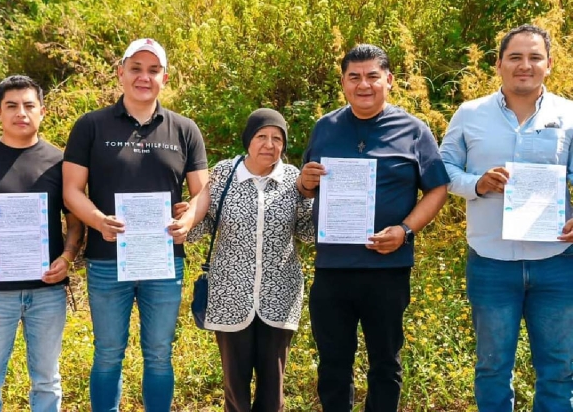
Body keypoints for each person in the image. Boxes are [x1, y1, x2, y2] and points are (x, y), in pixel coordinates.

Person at [297, 44, 449, 412]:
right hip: (333, 269)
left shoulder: (413, 130)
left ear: (389, 81)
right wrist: (305, 182)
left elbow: (438, 189)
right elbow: (305, 187)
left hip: (387, 269)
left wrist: (405, 231)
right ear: (344, 83)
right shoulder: (326, 127)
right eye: (354, 77)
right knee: (333, 364)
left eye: (372, 76)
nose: (363, 84)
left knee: (385, 364)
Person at [62, 38, 209, 411]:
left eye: (153, 70)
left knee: (159, 354)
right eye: (136, 68)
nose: (144, 77)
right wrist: (98, 221)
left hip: (163, 262)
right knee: (109, 353)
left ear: (165, 77)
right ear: (120, 73)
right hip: (106, 261)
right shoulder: (91, 126)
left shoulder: (184, 129)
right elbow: (71, 191)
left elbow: (202, 192)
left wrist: (189, 217)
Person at [439, 24, 573, 411]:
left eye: (534, 57)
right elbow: (442, 168)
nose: (524, 66)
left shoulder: (569, 114)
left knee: (560, 369)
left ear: (549, 65)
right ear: (498, 64)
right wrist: (476, 183)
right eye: (515, 57)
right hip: (491, 262)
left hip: (557, 263)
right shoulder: (470, 114)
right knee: (493, 367)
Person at [0, 75, 84, 412]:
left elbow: (75, 218)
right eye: (11, 106)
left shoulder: (60, 161)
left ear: (42, 112)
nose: (20, 113)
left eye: (28, 105)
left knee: (47, 380)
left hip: (47, 290)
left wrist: (67, 257)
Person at [186, 108, 313, 412]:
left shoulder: (294, 179)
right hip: (230, 295)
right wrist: (182, 220)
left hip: (279, 297)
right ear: (248, 140)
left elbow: (308, 233)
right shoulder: (223, 174)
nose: (270, 144)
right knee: (235, 390)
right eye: (262, 136)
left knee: (273, 391)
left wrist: (319, 199)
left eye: (277, 138)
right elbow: (201, 227)